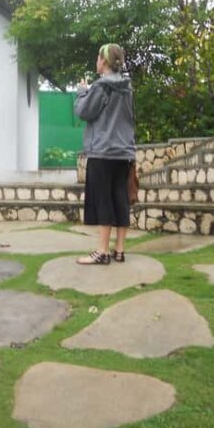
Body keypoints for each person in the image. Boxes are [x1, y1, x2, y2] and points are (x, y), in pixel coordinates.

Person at [74, 43, 136, 265]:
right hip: (123, 152)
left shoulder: (101, 87)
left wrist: (82, 92)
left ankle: (102, 251)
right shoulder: (127, 87)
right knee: (120, 199)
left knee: (103, 201)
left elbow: (83, 112)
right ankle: (119, 250)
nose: (96, 61)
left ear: (104, 61)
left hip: (102, 152)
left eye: (98, 58)